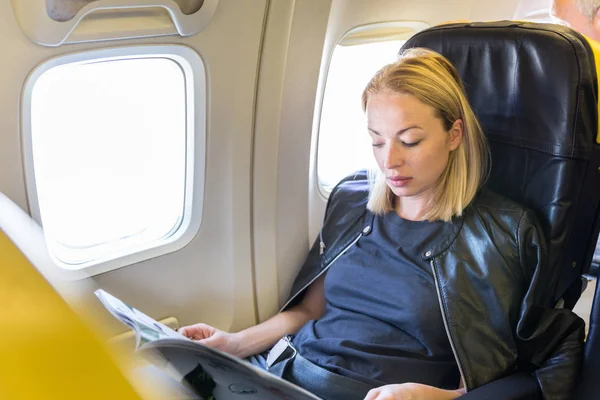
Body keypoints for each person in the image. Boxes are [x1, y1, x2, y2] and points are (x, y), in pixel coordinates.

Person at [180, 48, 585, 400]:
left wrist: (438, 397)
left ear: (454, 134)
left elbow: (518, 369)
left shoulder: (503, 235)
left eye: (409, 140)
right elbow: (309, 311)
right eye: (376, 141)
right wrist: (232, 344)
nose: (388, 161)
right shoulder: (353, 202)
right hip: (280, 375)